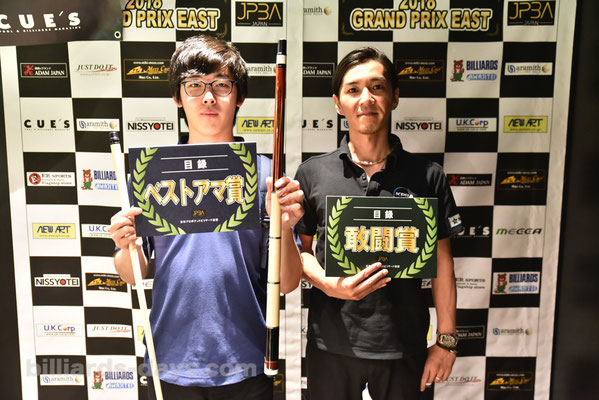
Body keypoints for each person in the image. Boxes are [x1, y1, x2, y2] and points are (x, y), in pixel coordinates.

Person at [108, 35, 304, 399]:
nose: (209, 97)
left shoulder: (265, 175)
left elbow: (289, 282)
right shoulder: (153, 174)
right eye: (195, 85)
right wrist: (126, 245)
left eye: (221, 85)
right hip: (170, 358)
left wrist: (287, 226)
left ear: (239, 96)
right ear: (177, 96)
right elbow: (132, 273)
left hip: (246, 359)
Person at [295, 47, 464, 399]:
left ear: (394, 97)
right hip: (331, 346)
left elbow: (442, 264)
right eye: (353, 89)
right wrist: (328, 283)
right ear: (338, 103)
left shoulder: (428, 176)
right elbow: (302, 252)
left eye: (377, 87)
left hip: (405, 347)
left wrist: (446, 340)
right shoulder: (312, 173)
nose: (366, 99)